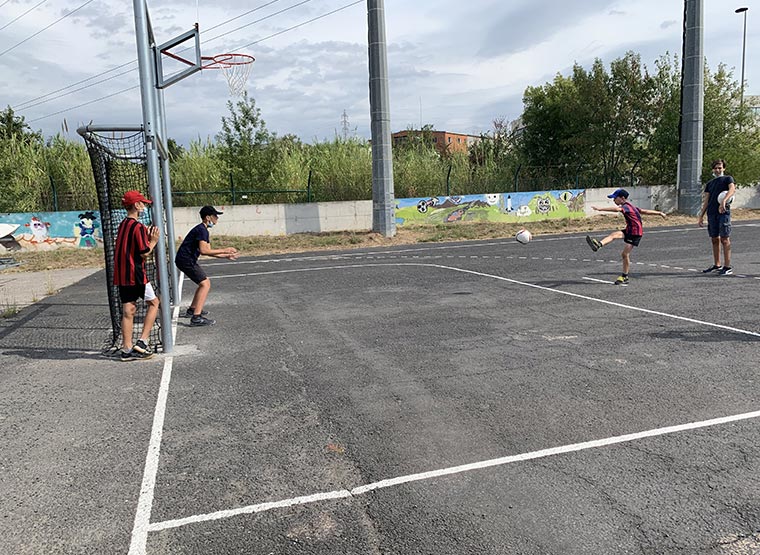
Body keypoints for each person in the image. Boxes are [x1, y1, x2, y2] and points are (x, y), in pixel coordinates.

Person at [114, 190, 160, 361]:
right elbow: (143, 252)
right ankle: (142, 341)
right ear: (136, 205)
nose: (145, 206)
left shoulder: (123, 224)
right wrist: (153, 240)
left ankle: (126, 349)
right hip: (136, 274)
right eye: (142, 203)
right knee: (154, 303)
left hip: (122, 275)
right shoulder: (138, 226)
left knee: (128, 310)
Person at [585, 188, 666, 286]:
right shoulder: (631, 207)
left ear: (622, 198)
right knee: (614, 235)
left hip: (635, 233)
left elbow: (617, 209)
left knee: (624, 254)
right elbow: (644, 211)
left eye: (615, 198)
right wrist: (659, 213)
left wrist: (600, 209)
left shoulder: (626, 207)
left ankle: (624, 276)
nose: (614, 200)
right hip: (629, 230)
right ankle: (598, 245)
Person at [175, 206, 238, 326]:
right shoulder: (202, 230)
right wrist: (225, 249)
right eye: (215, 216)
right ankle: (196, 318)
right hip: (185, 260)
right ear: (208, 218)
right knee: (205, 283)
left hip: (185, 260)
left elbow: (208, 250)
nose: (217, 218)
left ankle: (193, 310)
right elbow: (204, 251)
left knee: (203, 283)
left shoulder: (202, 230)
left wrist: (225, 255)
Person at [698, 159, 736, 276]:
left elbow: (732, 189)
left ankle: (727, 266)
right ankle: (717, 264)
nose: (718, 170)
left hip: (723, 212)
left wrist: (724, 201)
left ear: (723, 168)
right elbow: (706, 201)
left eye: (720, 168)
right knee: (714, 239)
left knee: (725, 238)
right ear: (713, 169)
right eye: (715, 168)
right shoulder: (710, 184)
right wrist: (701, 216)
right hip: (712, 213)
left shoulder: (727, 179)